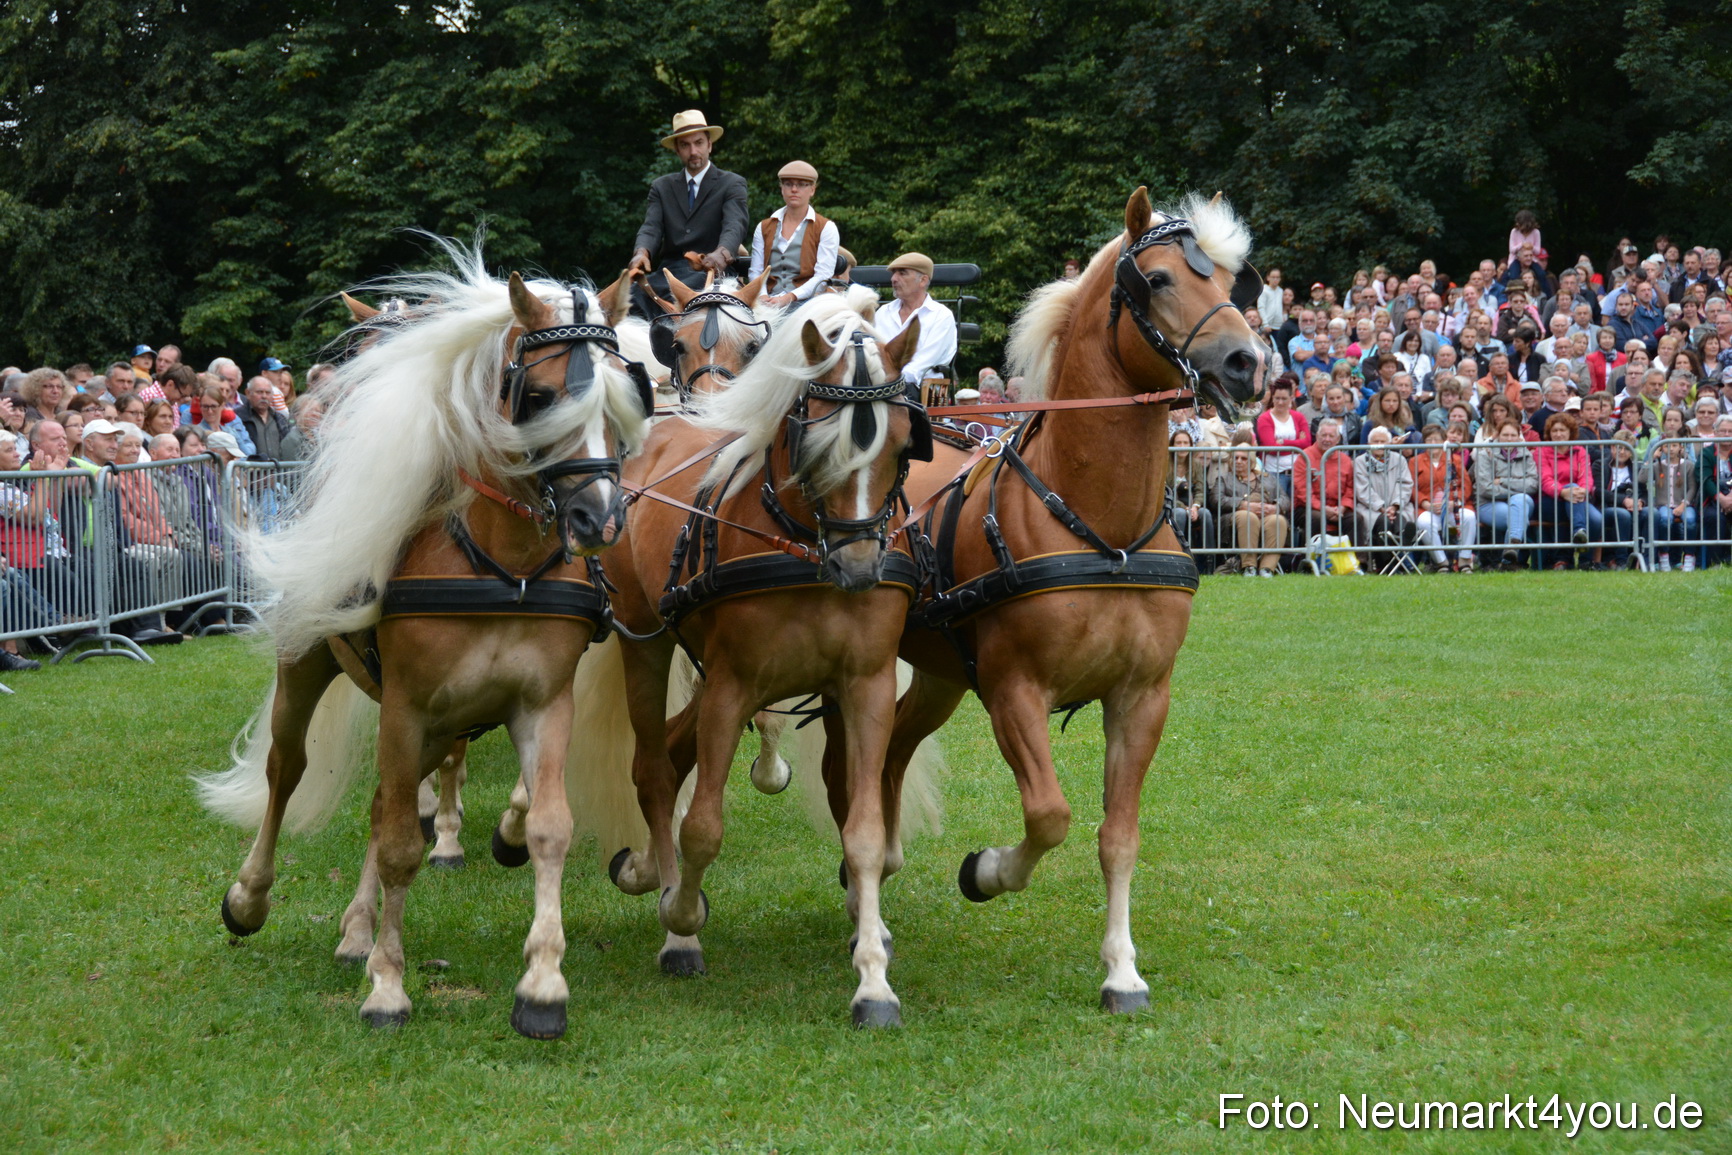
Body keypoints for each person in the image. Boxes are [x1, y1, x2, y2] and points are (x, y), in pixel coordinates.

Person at [628, 109, 750, 308]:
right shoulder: (661, 187)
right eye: (685, 145)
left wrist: (722, 253)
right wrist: (641, 253)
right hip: (670, 273)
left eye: (699, 143)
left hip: (713, 271)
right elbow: (651, 227)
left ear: (709, 145)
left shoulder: (732, 183)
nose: (693, 151)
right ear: (677, 150)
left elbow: (735, 225)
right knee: (629, 299)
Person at [748, 161, 840, 309]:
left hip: (805, 302)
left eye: (802, 184)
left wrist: (789, 297)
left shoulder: (826, 228)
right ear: (782, 189)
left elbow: (822, 277)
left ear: (812, 190)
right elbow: (756, 272)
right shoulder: (764, 227)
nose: (794, 189)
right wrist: (763, 296)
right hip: (766, 300)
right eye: (788, 184)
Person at [875, 252, 959, 390]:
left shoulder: (941, 316)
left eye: (902, 273)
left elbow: (922, 364)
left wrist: (890, 381)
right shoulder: (882, 313)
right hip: (880, 387)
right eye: (894, 273)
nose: (893, 279)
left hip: (921, 392)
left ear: (923, 280)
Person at [1210, 446, 1288, 577]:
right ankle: (1249, 566)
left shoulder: (1268, 478)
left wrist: (1275, 507)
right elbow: (1216, 499)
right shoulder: (1224, 479)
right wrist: (1242, 504)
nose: (1238, 461)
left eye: (1243, 458)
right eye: (1235, 458)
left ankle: (1267, 568)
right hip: (1235, 519)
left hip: (1265, 516)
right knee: (1248, 516)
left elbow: (1285, 498)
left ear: (1252, 462)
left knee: (1278, 520)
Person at [1534, 412, 1600, 566]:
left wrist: (1583, 490)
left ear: (1570, 432)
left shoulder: (1580, 451)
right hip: (1549, 501)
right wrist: (1563, 492)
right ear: (1549, 434)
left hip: (1577, 499)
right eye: (1554, 431)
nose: (1558, 434)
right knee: (1572, 489)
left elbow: (1586, 476)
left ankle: (1585, 561)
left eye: (1562, 430)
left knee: (1596, 520)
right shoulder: (1541, 451)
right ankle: (1578, 531)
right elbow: (1545, 479)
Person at [1474, 420, 1540, 568]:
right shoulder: (1485, 454)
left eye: (1513, 435)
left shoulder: (1527, 455)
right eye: (1505, 435)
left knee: (1520, 499)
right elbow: (1486, 488)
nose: (1509, 439)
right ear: (1498, 436)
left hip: (1520, 502)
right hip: (1488, 503)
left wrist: (1503, 481)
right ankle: (1509, 559)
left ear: (1519, 437)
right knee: (1517, 514)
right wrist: (1517, 485)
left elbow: (1533, 485)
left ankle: (1510, 551)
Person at [1411, 424, 1477, 571]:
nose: (1433, 443)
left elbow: (1465, 485)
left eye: (1436, 439)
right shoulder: (1415, 461)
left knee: (1469, 517)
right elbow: (1412, 487)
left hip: (1453, 507)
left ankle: (1464, 560)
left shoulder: (1455, 460)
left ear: (1443, 441)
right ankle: (1442, 563)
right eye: (1429, 440)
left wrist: (1455, 501)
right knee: (1424, 522)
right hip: (1428, 509)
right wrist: (1425, 503)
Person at [1353, 426, 1415, 553]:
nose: (1379, 445)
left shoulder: (1399, 459)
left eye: (1383, 442)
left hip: (1398, 506)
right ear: (1369, 443)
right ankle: (1389, 561)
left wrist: (1394, 506)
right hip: (1370, 508)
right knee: (1383, 521)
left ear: (1389, 443)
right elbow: (1363, 489)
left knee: (1400, 520)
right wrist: (1381, 508)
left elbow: (1405, 484)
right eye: (1376, 442)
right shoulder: (1359, 462)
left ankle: (1403, 540)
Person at [1293, 417, 1354, 542]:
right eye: (1324, 435)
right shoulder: (1304, 457)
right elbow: (1302, 491)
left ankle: (1357, 560)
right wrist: (1323, 508)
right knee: (1317, 518)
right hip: (1308, 507)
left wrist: (1342, 507)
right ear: (1317, 436)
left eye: (1331, 436)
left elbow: (1350, 489)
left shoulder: (1345, 460)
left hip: (1337, 508)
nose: (1327, 439)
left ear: (1337, 440)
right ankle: (1312, 558)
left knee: (1356, 519)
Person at [1641, 434, 1697, 570]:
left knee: (1690, 520)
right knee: (1665, 519)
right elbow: (1641, 479)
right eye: (1667, 446)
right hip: (1663, 505)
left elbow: (1692, 488)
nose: (1671, 449)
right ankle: (1664, 554)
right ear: (1661, 449)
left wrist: (1683, 505)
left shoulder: (1688, 465)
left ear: (1681, 448)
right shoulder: (1656, 466)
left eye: (1674, 445)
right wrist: (1651, 458)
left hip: (1684, 504)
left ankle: (1689, 556)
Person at [1253, 376, 1310, 494]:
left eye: (1284, 399)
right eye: (1277, 398)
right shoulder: (1265, 418)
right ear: (1272, 398)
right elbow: (1272, 448)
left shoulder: (1298, 416)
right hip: (1275, 473)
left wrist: (1284, 442)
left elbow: (1307, 443)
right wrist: (1297, 445)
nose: (1280, 402)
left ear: (1291, 398)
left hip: (1298, 472)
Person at [1168, 429, 1214, 562]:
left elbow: (1200, 490)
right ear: (1172, 445)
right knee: (1180, 513)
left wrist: (1195, 507)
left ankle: (1209, 559)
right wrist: (1185, 508)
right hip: (1171, 505)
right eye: (1178, 443)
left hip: (1191, 505)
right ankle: (1179, 556)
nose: (1182, 446)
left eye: (1185, 443)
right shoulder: (1165, 464)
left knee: (1205, 514)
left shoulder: (1195, 465)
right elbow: (1164, 492)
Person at [1697, 414, 1732, 566]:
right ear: (1715, 432)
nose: (1726, 435)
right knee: (1715, 518)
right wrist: (1721, 499)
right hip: (1711, 500)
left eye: (1730, 431)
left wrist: (1730, 499)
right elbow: (1704, 479)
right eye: (1723, 431)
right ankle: (1716, 561)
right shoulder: (1707, 453)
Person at [240, 376, 293, 460]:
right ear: (248, 393)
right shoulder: (239, 417)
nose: (264, 396)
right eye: (259, 392)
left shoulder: (280, 418)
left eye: (268, 393)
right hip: (251, 471)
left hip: (279, 471)